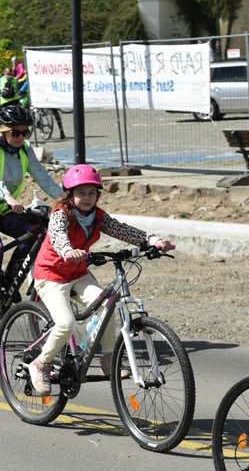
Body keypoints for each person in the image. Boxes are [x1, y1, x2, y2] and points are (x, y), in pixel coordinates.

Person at [24, 164, 174, 393]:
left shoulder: (98, 216)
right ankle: (40, 363)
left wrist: (153, 241)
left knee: (110, 307)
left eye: (92, 193)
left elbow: (123, 230)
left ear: (98, 195)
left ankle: (107, 358)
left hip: (78, 273)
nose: (87, 198)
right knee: (65, 324)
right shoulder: (61, 214)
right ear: (70, 194)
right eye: (81, 193)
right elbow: (57, 236)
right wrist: (66, 251)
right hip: (51, 275)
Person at [0, 104, 62, 316]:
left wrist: (65, 200)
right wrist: (7, 196)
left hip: (2, 208)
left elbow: (42, 176)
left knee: (33, 234)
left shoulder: (25, 149)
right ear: (3, 130)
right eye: (16, 132)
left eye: (26, 132)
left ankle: (7, 281)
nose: (21, 137)